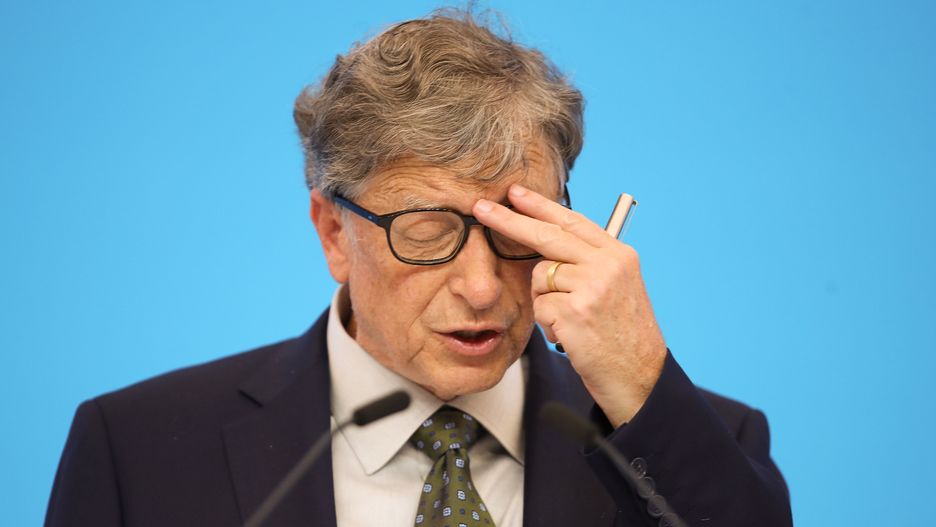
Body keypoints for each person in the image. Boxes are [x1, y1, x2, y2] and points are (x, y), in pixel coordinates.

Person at [46, 9, 792, 527]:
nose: (481, 287)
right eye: (428, 232)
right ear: (334, 232)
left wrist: (642, 386)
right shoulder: (137, 450)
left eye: (517, 229)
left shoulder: (707, 444)